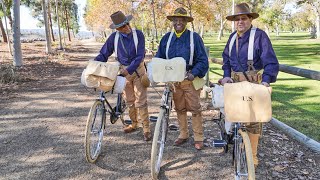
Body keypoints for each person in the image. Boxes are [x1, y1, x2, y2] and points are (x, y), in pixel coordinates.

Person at [220, 2, 279, 167]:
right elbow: (226, 61)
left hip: (253, 83)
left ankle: (252, 156)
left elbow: (271, 62)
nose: (240, 22)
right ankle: (233, 140)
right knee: (233, 115)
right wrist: (226, 76)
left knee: (253, 120)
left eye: (244, 18)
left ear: (250, 19)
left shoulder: (260, 36)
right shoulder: (232, 38)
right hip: (234, 83)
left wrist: (266, 81)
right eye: (237, 19)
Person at [155, 7, 209, 150]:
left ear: (186, 21)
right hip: (174, 81)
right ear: (172, 21)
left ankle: (198, 137)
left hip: (190, 79)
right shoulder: (166, 38)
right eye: (175, 20)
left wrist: (194, 73)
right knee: (180, 108)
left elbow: (203, 60)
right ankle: (183, 134)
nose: (178, 22)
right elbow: (158, 57)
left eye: (181, 19)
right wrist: (155, 70)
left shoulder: (194, 38)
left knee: (195, 108)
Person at [94, 11, 151, 141]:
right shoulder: (113, 38)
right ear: (117, 28)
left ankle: (146, 128)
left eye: (126, 24)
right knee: (130, 100)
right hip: (123, 72)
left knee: (141, 101)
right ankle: (134, 123)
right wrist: (94, 64)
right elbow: (104, 54)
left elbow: (140, 56)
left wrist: (129, 69)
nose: (126, 28)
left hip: (138, 71)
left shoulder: (138, 35)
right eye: (122, 27)